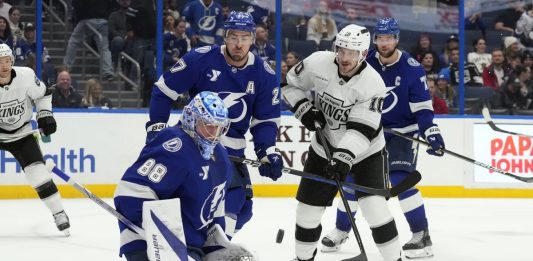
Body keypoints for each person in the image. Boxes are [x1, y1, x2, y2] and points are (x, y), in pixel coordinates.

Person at [145, 11, 283, 238]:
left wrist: (268, 152)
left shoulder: (264, 74)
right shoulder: (200, 58)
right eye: (233, 37)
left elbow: (265, 121)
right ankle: (198, 243)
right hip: (193, 145)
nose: (239, 44)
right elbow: (163, 90)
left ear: (252, 39)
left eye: (244, 38)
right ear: (225, 37)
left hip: (231, 152)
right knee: (209, 204)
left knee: (242, 210)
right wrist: (156, 127)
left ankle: (207, 244)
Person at [319, 18, 445, 259]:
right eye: (380, 38)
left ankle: (421, 235)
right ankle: (341, 230)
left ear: (396, 39)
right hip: (369, 131)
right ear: (374, 39)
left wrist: (430, 130)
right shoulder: (365, 61)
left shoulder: (412, 67)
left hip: (402, 133)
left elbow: (422, 106)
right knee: (352, 180)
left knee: (400, 180)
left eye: (389, 38)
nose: (384, 43)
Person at [284, 23, 402, 261]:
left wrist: (342, 158)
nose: (344, 57)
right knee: (307, 212)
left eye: (352, 52)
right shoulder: (318, 62)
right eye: (341, 50)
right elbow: (289, 84)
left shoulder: (372, 83)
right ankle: (302, 259)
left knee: (375, 210)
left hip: (367, 153)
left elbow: (361, 131)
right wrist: (304, 108)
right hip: (323, 148)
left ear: (363, 54)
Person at [114, 91, 232, 260]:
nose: (213, 133)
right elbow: (130, 191)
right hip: (148, 244)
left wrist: (218, 248)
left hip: (190, 248)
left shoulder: (221, 157)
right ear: (192, 119)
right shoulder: (175, 145)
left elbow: (214, 210)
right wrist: (164, 238)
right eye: (208, 125)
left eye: (219, 127)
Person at [0, 43, 70, 235]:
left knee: (38, 174)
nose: (4, 66)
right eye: (0, 62)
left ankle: (59, 213)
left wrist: (45, 115)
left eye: (7, 61)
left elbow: (43, 95)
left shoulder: (26, 75)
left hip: (21, 133)